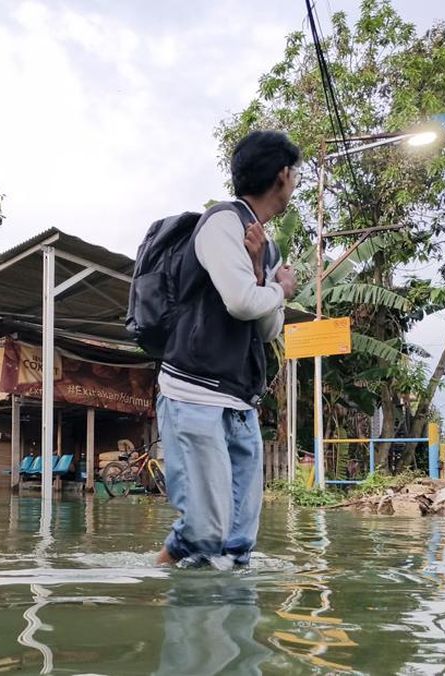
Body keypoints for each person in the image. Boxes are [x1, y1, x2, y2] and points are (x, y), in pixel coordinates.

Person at [156, 130, 299, 568]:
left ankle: (225, 624)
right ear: (282, 174)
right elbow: (241, 303)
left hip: (240, 400)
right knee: (206, 529)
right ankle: (157, 580)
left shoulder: (266, 243)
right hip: (194, 392)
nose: (295, 183)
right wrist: (281, 289)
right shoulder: (221, 222)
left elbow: (269, 326)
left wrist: (266, 281)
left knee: (239, 540)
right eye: (295, 175)